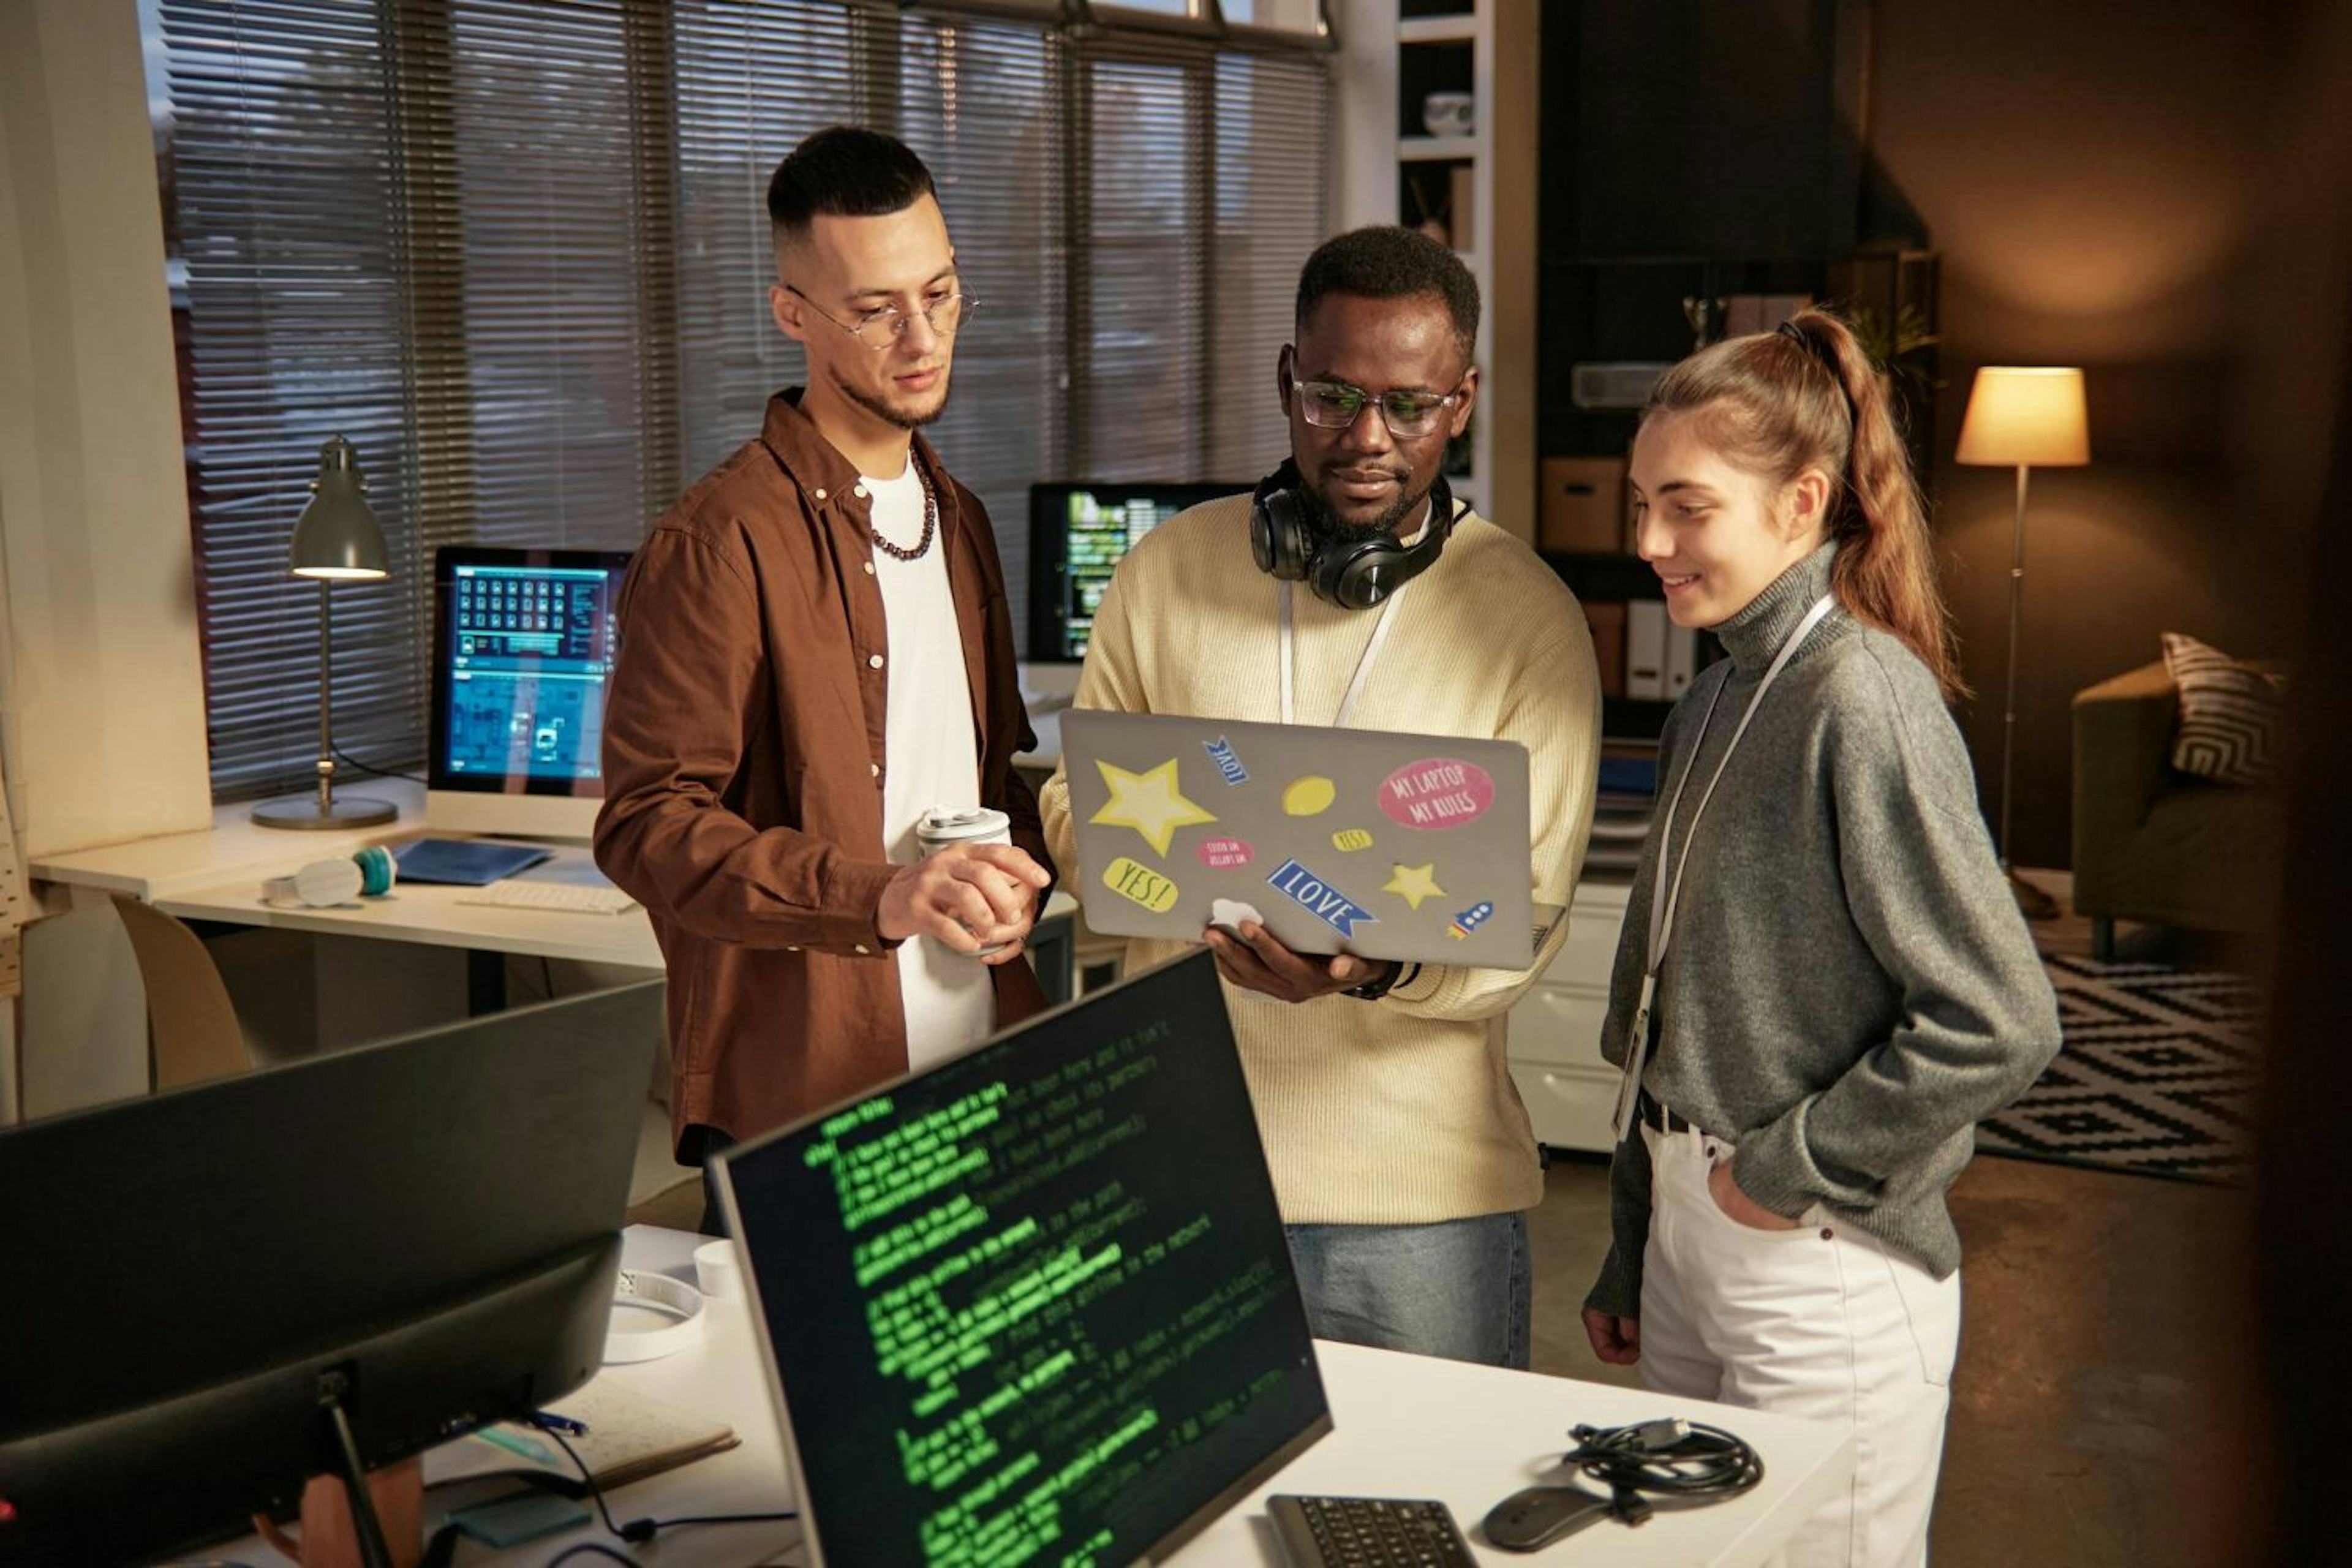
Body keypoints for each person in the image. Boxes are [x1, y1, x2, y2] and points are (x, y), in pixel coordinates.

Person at [1040, 227, 1602, 1368]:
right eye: (1333, 397)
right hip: (1190, 1167)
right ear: (1286, 377)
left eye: (1411, 405)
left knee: (1427, 1532)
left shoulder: (1528, 618)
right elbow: (1070, 806)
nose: (1366, 439)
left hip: (1420, 1207)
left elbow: (1531, 920)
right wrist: (1178, 876)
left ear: (1464, 401)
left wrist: (1373, 968)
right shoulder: (1166, 571)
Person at [1577, 308, 2063, 1566]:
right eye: (1642, 503)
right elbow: (1670, 1009)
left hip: (1823, 1259)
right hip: (1696, 1234)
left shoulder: (1862, 695)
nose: (1648, 542)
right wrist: (1641, 1242)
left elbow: (2001, 1019)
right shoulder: (1721, 690)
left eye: (1686, 506)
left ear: (1801, 503)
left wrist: (1777, 1170)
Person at [595, 126, 1054, 1229]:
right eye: (873, 309)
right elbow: (646, 825)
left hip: (980, 1062)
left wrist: (1062, 851)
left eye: (941, 295)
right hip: (809, 1098)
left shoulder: (962, 517)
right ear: (793, 313)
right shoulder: (717, 541)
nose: (921, 337)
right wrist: (880, 895)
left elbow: (988, 773)